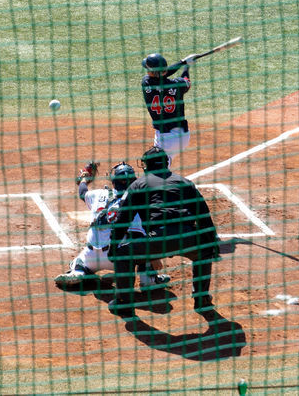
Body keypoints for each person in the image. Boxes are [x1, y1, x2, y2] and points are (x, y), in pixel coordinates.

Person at [106, 146, 223, 325]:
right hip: (189, 237)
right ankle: (202, 299)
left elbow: (123, 220)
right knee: (204, 252)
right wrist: (212, 243)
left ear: (147, 165)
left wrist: (114, 247)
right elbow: (204, 215)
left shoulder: (138, 185)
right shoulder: (184, 182)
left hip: (158, 239)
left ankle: (124, 303)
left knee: (123, 256)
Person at [54, 162, 170, 290]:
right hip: (120, 260)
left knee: (80, 260)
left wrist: (84, 180)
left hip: (92, 255)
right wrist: (154, 256)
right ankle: (148, 278)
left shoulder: (98, 195)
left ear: (113, 182)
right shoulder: (140, 200)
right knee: (145, 239)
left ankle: (79, 270)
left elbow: (82, 193)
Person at [141, 52, 195, 158]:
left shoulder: (146, 83)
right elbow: (186, 81)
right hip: (183, 137)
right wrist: (186, 66)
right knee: (165, 165)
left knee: (155, 168)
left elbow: (160, 75)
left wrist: (182, 62)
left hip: (164, 139)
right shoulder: (178, 84)